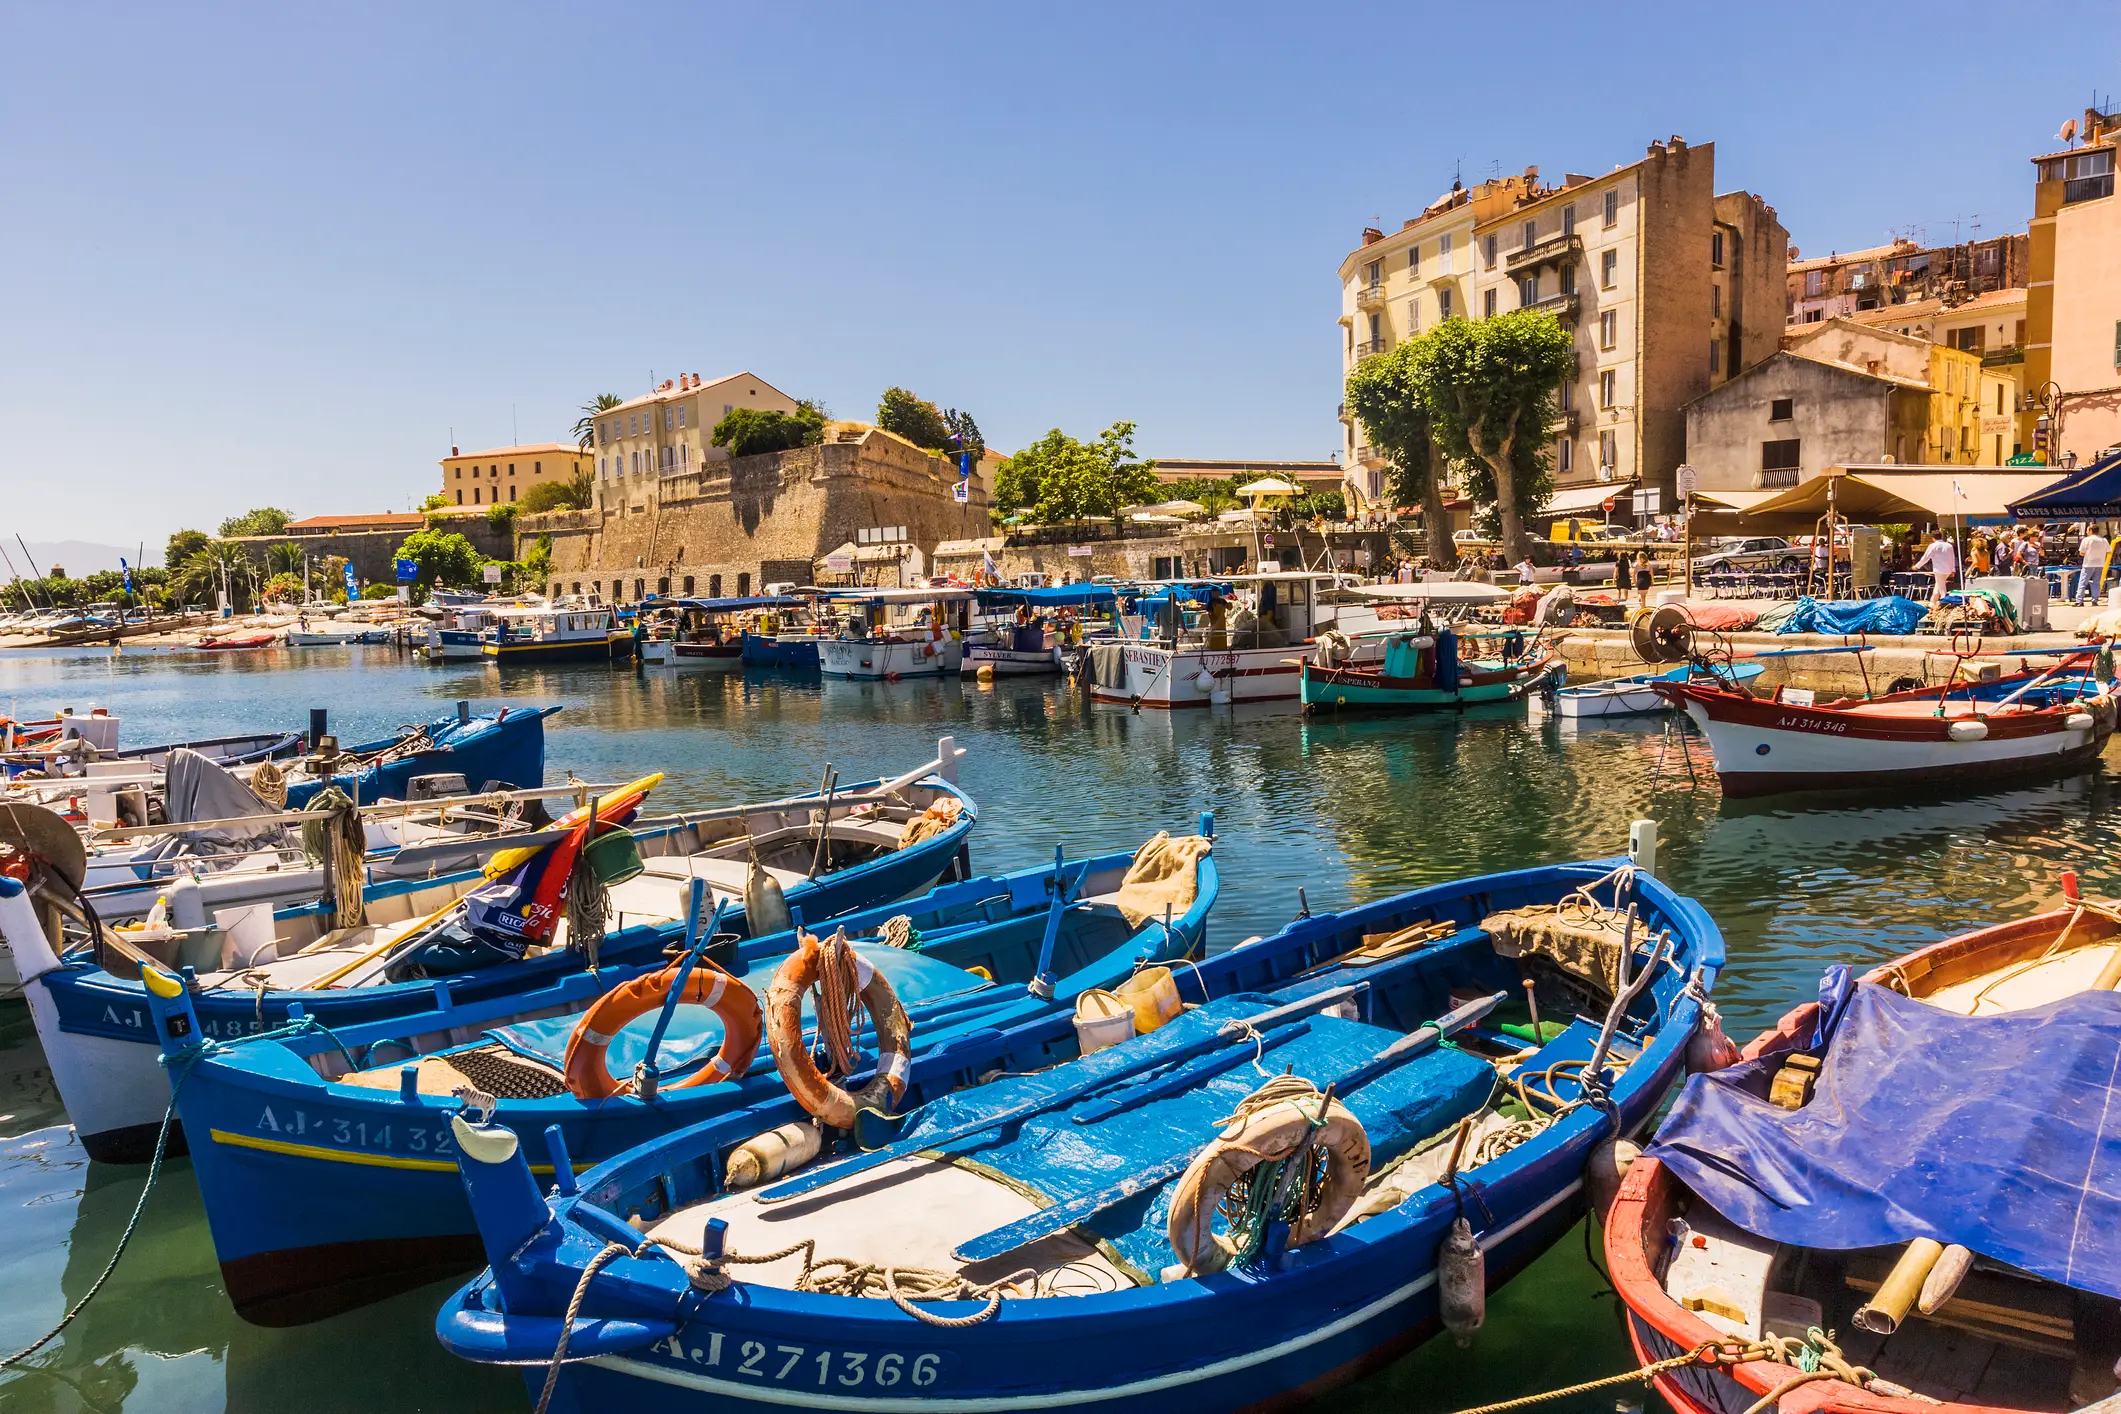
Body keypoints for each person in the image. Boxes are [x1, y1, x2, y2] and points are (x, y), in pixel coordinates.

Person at [1912, 532, 1959, 602]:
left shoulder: (1933, 546)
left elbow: (1926, 557)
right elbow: (1952, 558)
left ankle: (1944, 601)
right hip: (1948, 569)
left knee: (1942, 588)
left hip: (1939, 569)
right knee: (1938, 585)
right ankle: (1933, 602)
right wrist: (1953, 569)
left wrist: (1917, 566)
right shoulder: (1949, 546)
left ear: (1933, 538)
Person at [2079, 525, 2113, 604]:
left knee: (2083, 582)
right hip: (2100, 564)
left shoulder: (2086, 540)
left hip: (2088, 564)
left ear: (2091, 530)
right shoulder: (2104, 540)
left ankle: (2079, 600)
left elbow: (2081, 553)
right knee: (2096, 583)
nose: (2086, 532)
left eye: (2087, 530)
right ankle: (2095, 600)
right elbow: (2108, 551)